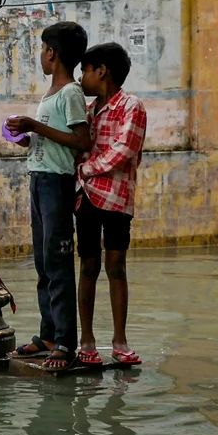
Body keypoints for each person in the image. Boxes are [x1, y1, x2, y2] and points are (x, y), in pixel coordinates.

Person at [4, 21, 93, 370]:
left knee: (57, 263)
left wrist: (35, 126)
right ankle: (48, 334)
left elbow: (81, 142)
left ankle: (66, 342)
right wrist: (27, 138)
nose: (40, 56)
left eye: (43, 50)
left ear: (52, 54)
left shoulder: (70, 92)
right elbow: (53, 138)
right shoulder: (51, 94)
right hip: (39, 179)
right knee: (43, 263)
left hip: (56, 183)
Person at [74, 43, 147, 367]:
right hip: (88, 197)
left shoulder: (132, 106)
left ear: (101, 71)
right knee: (88, 266)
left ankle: (120, 341)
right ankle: (86, 340)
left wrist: (85, 170)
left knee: (116, 266)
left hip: (117, 197)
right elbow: (81, 146)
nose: (81, 78)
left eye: (85, 71)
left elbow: (124, 151)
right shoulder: (90, 110)